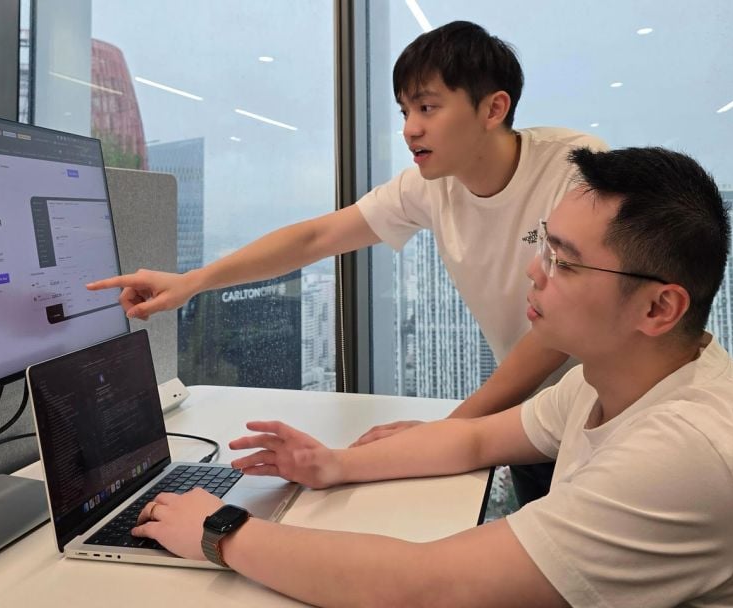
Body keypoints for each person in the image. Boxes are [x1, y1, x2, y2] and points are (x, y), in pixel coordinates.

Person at [131, 147, 733, 607]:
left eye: (563, 260)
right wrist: (332, 465)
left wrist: (222, 533)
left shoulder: (682, 447)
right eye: (541, 246)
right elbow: (474, 438)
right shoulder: (613, 377)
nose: (533, 270)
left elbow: (429, 588)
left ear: (659, 309)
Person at [87, 20, 606, 506]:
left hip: (609, 411)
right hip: (526, 420)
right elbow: (316, 237)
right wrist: (193, 282)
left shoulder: (575, 168)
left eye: (427, 108)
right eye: (404, 111)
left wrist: (452, 428)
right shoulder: (429, 187)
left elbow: (556, 332)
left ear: (493, 109)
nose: (409, 129)